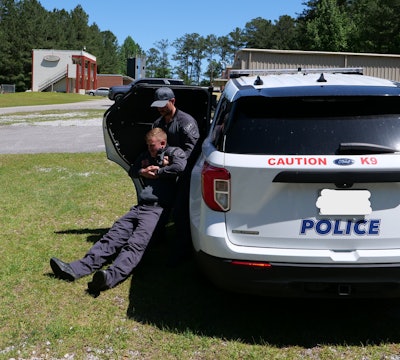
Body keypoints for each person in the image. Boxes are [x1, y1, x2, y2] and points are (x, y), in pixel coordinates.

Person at [49, 128, 187, 296]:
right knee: (111, 237)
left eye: (152, 146)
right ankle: (74, 269)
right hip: (139, 208)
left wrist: (159, 171)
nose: (150, 150)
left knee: (136, 244)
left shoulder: (174, 153)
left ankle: (109, 277)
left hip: (157, 210)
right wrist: (142, 172)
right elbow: (132, 170)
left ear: (163, 143)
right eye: (148, 146)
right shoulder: (145, 156)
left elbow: (181, 167)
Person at [150, 87, 200, 264]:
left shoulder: (186, 122)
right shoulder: (158, 123)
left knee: (180, 213)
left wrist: (171, 161)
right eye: (157, 106)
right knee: (156, 206)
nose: (160, 109)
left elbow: (191, 151)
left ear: (173, 101)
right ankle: (156, 239)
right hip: (167, 173)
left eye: (163, 105)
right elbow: (155, 145)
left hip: (184, 174)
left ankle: (181, 252)